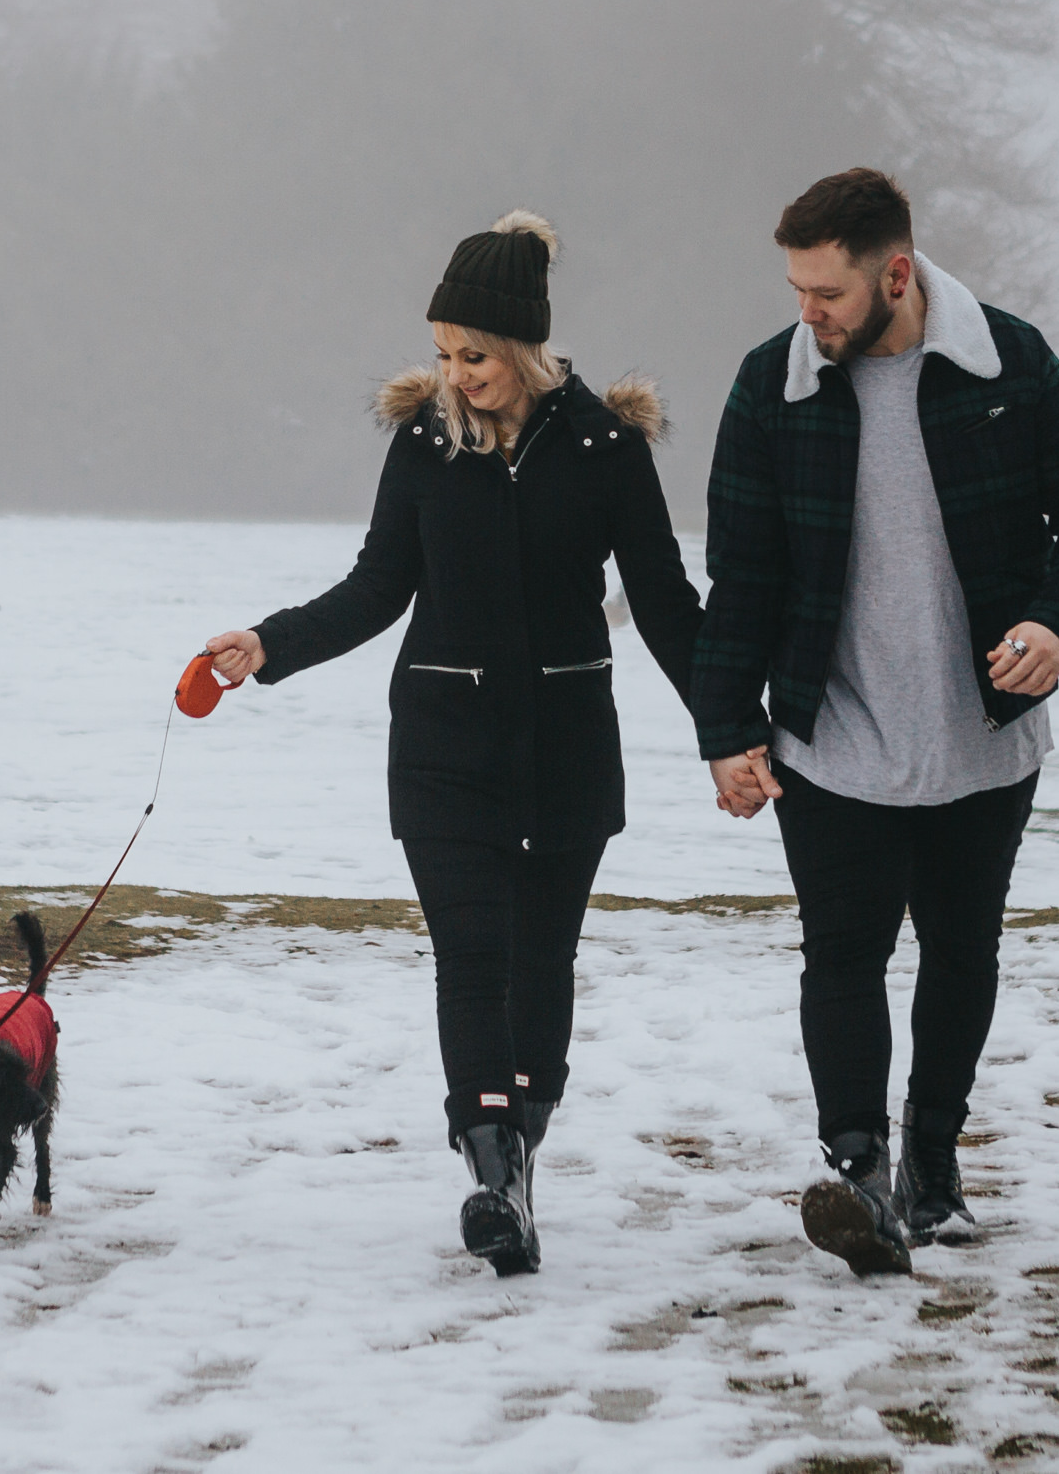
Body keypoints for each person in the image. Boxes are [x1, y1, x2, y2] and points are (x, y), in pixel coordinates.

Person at [196, 212, 703, 1277]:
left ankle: (519, 1145)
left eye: (472, 355)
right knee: (472, 956)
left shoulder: (608, 450)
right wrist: (266, 644)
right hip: (442, 747)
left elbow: (664, 604)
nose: (452, 375)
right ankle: (491, 1173)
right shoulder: (424, 443)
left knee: (541, 961)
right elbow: (379, 586)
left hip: (568, 747)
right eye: (441, 352)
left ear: (523, 347)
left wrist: (732, 727)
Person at [693, 166, 1059, 1277]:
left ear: (895, 273)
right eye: (795, 290)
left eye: (827, 293)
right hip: (829, 737)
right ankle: (858, 1174)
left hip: (982, 735)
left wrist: (1055, 622)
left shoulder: (1007, 363)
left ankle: (934, 1167)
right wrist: (726, 730)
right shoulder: (771, 387)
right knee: (841, 951)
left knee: (959, 949)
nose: (808, 313)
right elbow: (738, 577)